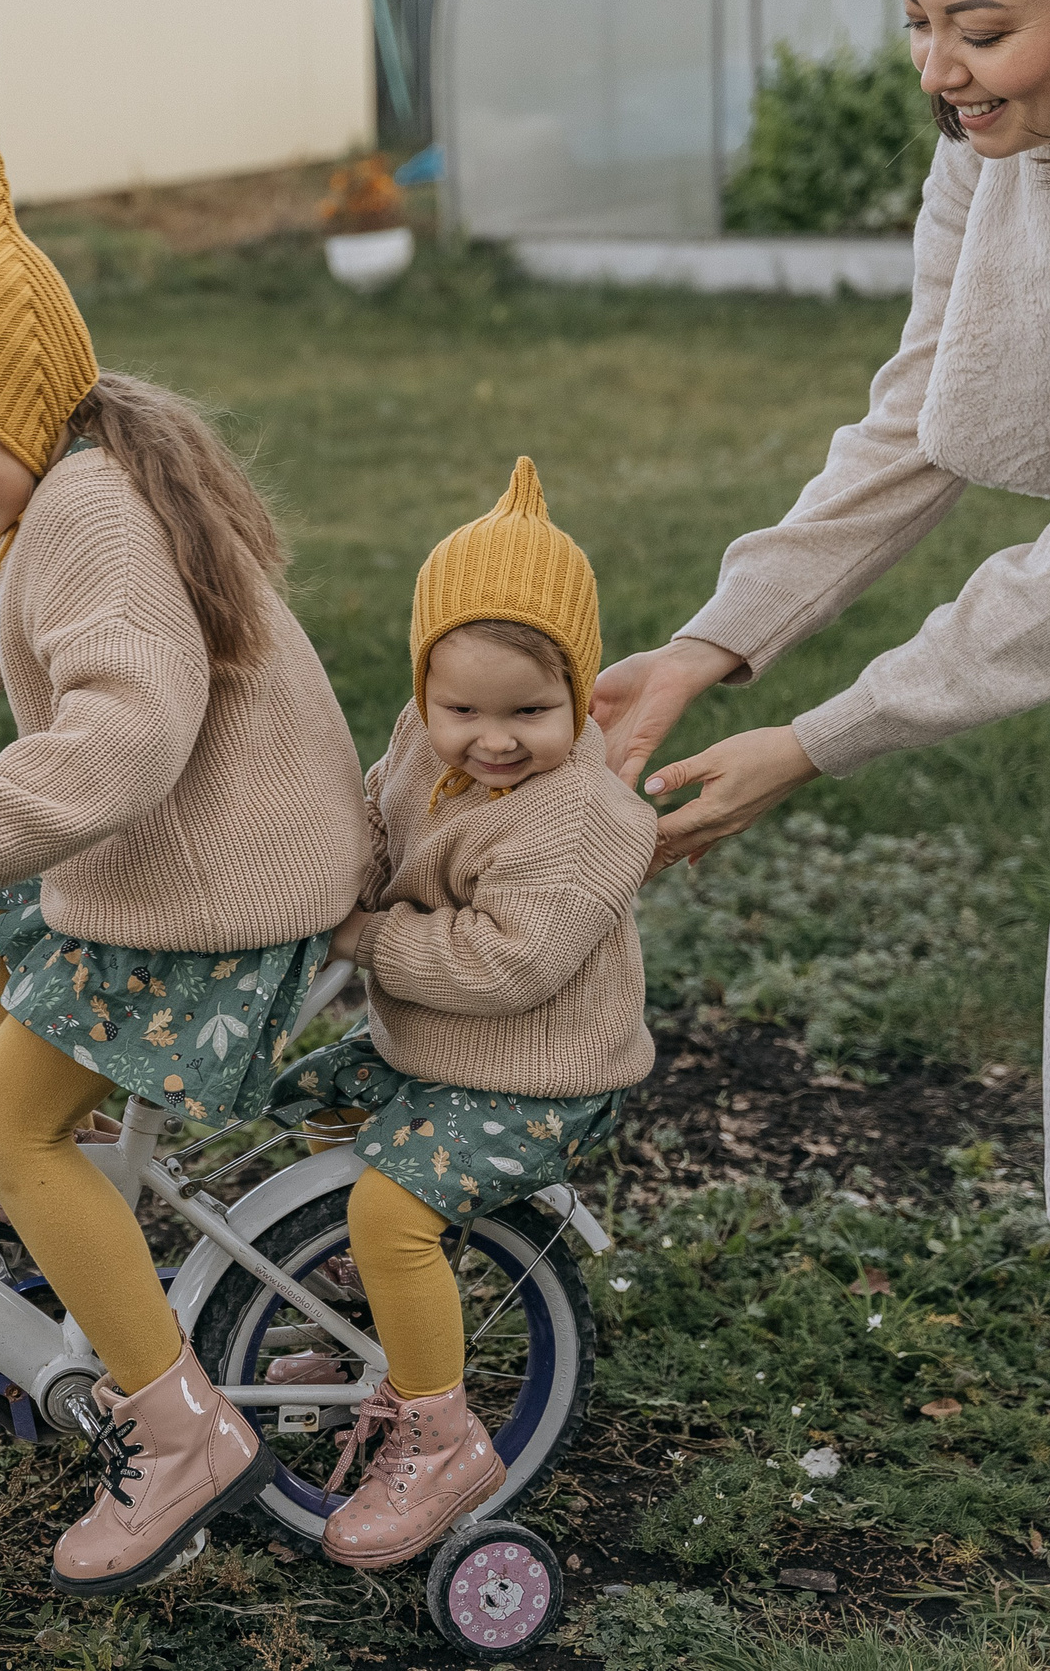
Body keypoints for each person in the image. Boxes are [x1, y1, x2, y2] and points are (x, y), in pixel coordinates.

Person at [592, 0, 1050, 1513]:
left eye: (979, 26)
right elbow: (920, 412)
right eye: (915, 17)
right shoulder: (1013, 134)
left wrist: (817, 740)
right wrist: (715, 641)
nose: (936, 68)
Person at [0, 143, 373, 1593]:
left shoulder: (97, 515)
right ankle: (76, 1146)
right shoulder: (62, 492)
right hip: (191, 851)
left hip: (215, 886)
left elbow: (125, 730)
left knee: (4, 1114)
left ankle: (179, 1432)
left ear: (22, 401)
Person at [268, 459, 655, 1567]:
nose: (492, 740)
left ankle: (437, 1432)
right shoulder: (424, 737)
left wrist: (364, 937)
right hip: (432, 1046)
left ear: (579, 694)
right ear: (425, 688)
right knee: (294, 1094)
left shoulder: (573, 816)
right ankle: (374, 1324)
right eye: (460, 710)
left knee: (391, 1213)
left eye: (531, 712)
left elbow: (508, 966)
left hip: (536, 1078)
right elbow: (382, 827)